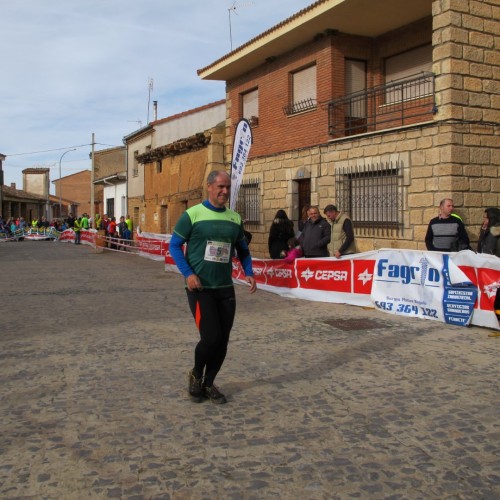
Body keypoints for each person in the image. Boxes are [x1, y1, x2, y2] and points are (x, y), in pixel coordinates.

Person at [169, 170, 256, 404]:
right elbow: (174, 245)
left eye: (227, 187)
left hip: (225, 288)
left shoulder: (234, 218)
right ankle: (196, 375)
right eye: (220, 187)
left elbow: (243, 250)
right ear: (209, 187)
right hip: (200, 288)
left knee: (223, 340)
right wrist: (188, 274)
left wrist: (249, 272)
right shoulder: (192, 214)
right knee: (210, 338)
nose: (225, 191)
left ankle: (208, 384)